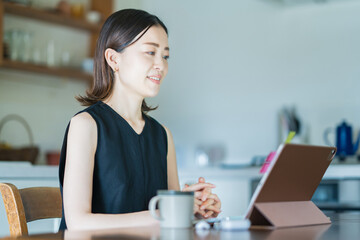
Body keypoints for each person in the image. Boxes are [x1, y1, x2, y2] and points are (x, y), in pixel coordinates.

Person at [58, 9, 221, 231]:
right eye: (149, 53)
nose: (161, 65)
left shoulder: (163, 135)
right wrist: (167, 212)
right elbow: (78, 223)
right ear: (114, 59)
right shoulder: (86, 126)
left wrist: (195, 211)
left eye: (165, 56)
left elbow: (170, 222)